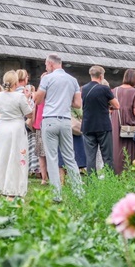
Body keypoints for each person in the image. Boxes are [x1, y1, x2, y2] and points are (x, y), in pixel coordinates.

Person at [34, 54, 82, 200]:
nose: (46, 68)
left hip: (49, 119)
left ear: (50, 64)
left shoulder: (47, 79)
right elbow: (78, 104)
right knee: (69, 157)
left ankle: (57, 194)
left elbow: (37, 100)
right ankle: (79, 191)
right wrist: (66, 101)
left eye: (46, 65)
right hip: (66, 120)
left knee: (52, 157)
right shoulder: (73, 80)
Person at [0, 70, 32, 196]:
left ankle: (0, 185)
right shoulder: (19, 97)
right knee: (16, 156)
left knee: (2, 156)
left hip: (3, 128)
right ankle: (14, 187)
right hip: (16, 127)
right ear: (16, 82)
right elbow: (29, 114)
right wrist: (28, 99)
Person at [81, 65, 119, 176]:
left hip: (88, 125)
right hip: (103, 125)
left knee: (90, 157)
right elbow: (117, 105)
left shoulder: (84, 89)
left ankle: (91, 181)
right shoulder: (104, 89)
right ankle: (109, 179)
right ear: (101, 76)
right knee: (107, 156)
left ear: (90, 75)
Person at [112, 69, 135, 174]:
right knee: (130, 148)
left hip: (116, 122)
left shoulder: (114, 90)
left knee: (117, 146)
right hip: (129, 122)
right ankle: (129, 172)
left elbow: (111, 107)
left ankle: (117, 171)